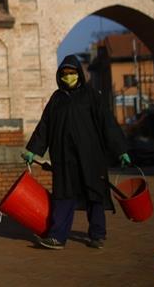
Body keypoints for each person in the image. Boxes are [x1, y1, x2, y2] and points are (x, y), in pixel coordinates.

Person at [23, 54, 131, 249]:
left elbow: (107, 123)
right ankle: (57, 237)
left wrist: (120, 150)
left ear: (79, 74)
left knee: (94, 194)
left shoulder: (91, 96)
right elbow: (45, 126)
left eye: (71, 73)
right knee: (63, 195)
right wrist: (33, 150)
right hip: (64, 158)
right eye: (64, 73)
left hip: (90, 157)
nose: (68, 76)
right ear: (60, 76)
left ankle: (97, 234)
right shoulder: (57, 99)